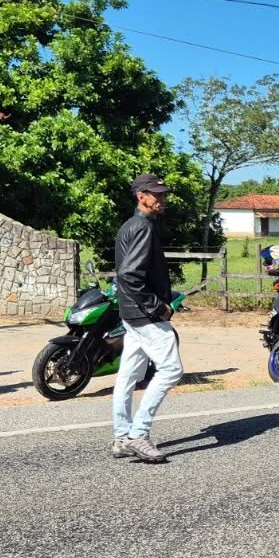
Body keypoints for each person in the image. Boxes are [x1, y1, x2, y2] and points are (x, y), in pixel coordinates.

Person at [111, 173, 185, 465]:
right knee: (171, 370)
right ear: (141, 196)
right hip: (144, 313)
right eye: (157, 194)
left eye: (163, 194)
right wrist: (158, 307)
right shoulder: (142, 227)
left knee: (128, 375)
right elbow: (129, 275)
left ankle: (121, 436)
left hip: (131, 312)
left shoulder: (132, 225)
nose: (162, 199)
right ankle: (137, 434)